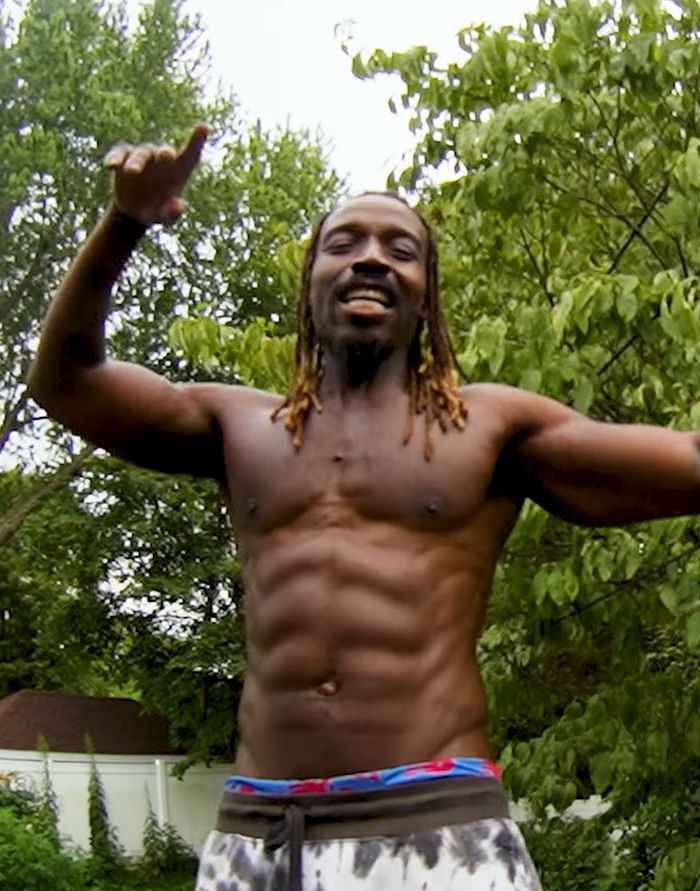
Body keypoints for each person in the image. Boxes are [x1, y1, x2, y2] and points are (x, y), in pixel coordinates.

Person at [29, 126, 700, 891]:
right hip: (260, 837)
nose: (371, 257)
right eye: (343, 243)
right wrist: (127, 222)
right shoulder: (236, 426)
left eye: (401, 248)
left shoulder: (491, 429)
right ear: (311, 281)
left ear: (427, 295)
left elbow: (687, 462)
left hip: (439, 827)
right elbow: (66, 380)